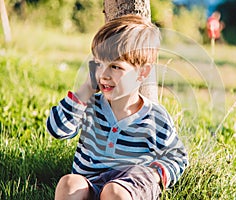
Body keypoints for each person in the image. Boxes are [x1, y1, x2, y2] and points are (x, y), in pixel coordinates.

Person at [46, 14, 188, 200]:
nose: (103, 74)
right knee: (69, 184)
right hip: (91, 183)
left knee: (114, 192)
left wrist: (154, 174)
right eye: (98, 64)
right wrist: (86, 89)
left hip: (130, 187)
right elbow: (57, 130)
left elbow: (178, 157)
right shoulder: (89, 106)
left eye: (115, 67)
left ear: (142, 72)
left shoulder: (155, 118)